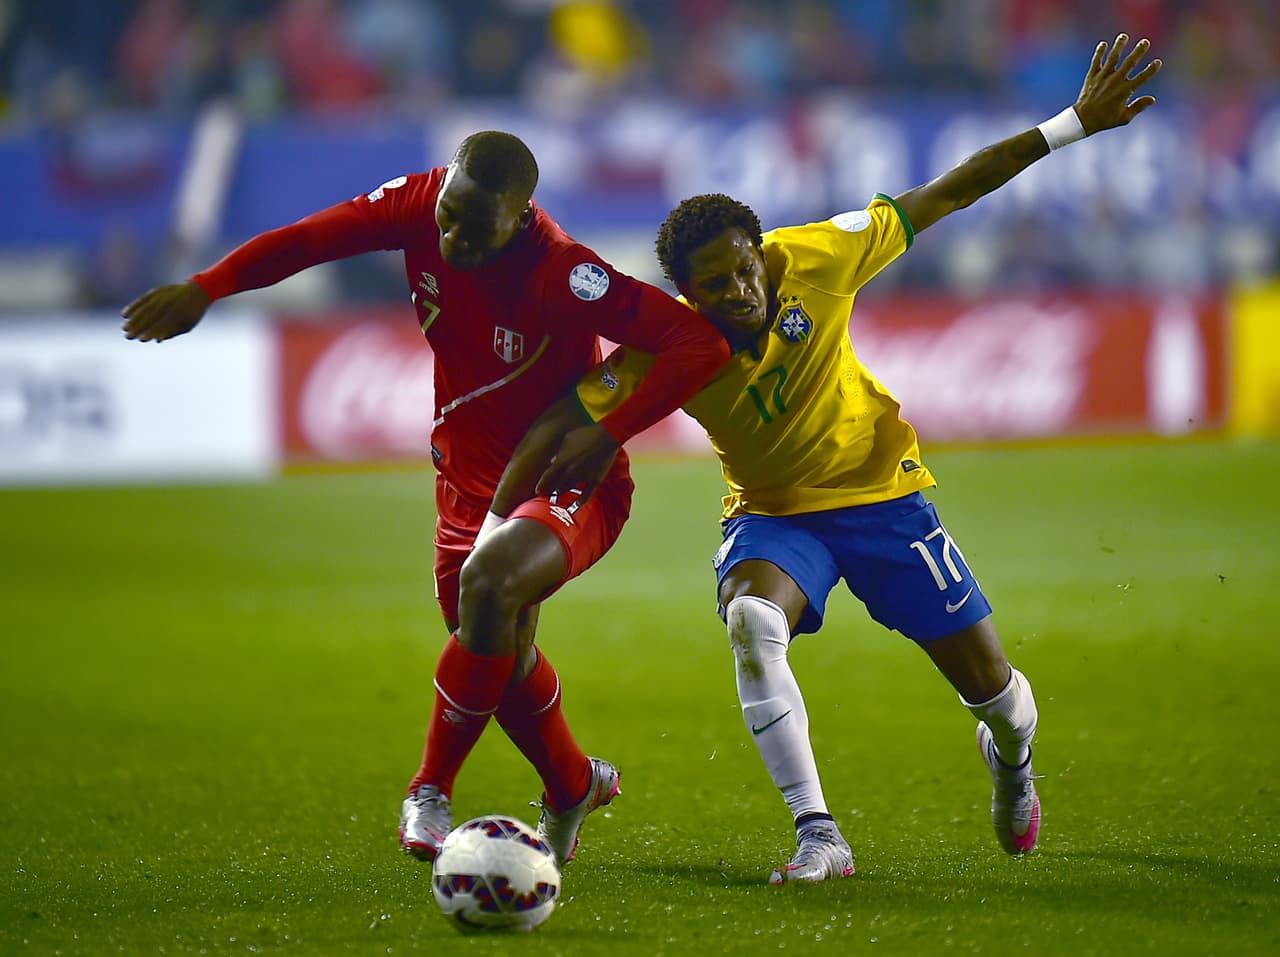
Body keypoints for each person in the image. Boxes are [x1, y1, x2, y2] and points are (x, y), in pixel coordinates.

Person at [488, 36, 1162, 882]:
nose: (740, 292)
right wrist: (494, 530)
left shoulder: (819, 255)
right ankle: (819, 834)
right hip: (774, 517)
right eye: (715, 286)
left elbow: (950, 189)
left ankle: (1012, 755)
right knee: (751, 621)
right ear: (687, 294)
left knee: (998, 696)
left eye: (745, 270)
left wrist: (1072, 126)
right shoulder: (667, 340)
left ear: (761, 252)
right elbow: (564, 417)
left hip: (882, 498)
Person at [120, 130, 731, 865]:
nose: (452, 239)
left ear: (520, 217)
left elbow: (698, 343)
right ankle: (574, 785)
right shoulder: (417, 203)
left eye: (476, 228)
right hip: (465, 479)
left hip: (564, 479)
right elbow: (308, 241)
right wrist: (207, 286)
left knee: (490, 587)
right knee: (496, 648)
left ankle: (429, 789)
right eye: (448, 218)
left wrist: (608, 435)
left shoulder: (565, 273)